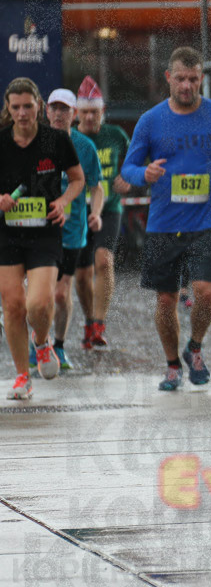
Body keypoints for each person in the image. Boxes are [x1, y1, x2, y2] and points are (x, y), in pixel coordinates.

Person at [120, 46, 211, 391]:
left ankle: (195, 347)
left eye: (193, 79)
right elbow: (128, 168)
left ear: (201, 78)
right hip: (163, 224)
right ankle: (173, 364)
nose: (187, 85)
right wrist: (143, 173)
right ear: (168, 79)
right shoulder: (150, 121)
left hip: (206, 221)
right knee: (165, 300)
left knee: (205, 292)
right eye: (180, 79)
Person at [0, 78, 85, 399]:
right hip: (7, 233)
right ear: (8, 108)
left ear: (39, 105)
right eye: (16, 107)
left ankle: (42, 342)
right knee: (12, 305)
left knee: (38, 302)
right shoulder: (1, 142)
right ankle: (22, 376)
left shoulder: (56, 140)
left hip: (45, 231)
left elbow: (77, 180)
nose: (22, 113)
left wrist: (63, 201)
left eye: (28, 106)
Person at [41, 89, 103, 372]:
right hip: (39, 230)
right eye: (53, 108)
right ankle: (39, 344)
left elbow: (96, 187)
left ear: (74, 114)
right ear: (46, 111)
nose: (58, 114)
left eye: (64, 109)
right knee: (41, 294)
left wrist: (96, 213)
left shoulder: (85, 148)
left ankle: (59, 345)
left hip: (73, 229)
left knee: (59, 293)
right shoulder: (35, 144)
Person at [74, 76, 131, 349]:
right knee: (82, 274)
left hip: (108, 207)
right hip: (77, 210)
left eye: (93, 112)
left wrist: (129, 178)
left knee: (104, 261)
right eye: (84, 112)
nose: (88, 117)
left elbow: (134, 161)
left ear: (102, 112)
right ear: (76, 113)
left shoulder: (115, 135)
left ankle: (99, 323)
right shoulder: (70, 139)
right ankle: (88, 321)